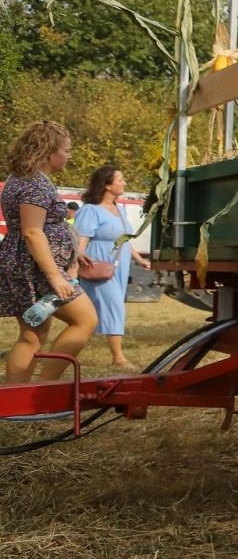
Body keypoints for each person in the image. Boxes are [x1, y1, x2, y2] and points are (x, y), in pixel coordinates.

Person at [2, 121, 97, 384]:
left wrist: (72, 253)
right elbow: (32, 232)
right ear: (47, 152)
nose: (69, 155)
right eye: (66, 150)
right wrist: (55, 276)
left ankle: (15, 398)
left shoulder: (21, 179)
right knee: (85, 320)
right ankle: (45, 387)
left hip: (26, 264)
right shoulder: (35, 184)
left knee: (32, 335)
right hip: (35, 268)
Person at [74, 165, 152, 370]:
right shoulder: (91, 210)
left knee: (95, 311)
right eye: (120, 180)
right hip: (99, 264)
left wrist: (139, 259)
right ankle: (118, 357)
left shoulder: (120, 209)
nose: (124, 183)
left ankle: (69, 349)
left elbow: (124, 239)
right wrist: (79, 254)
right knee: (114, 305)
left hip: (119, 265)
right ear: (107, 185)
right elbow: (82, 237)